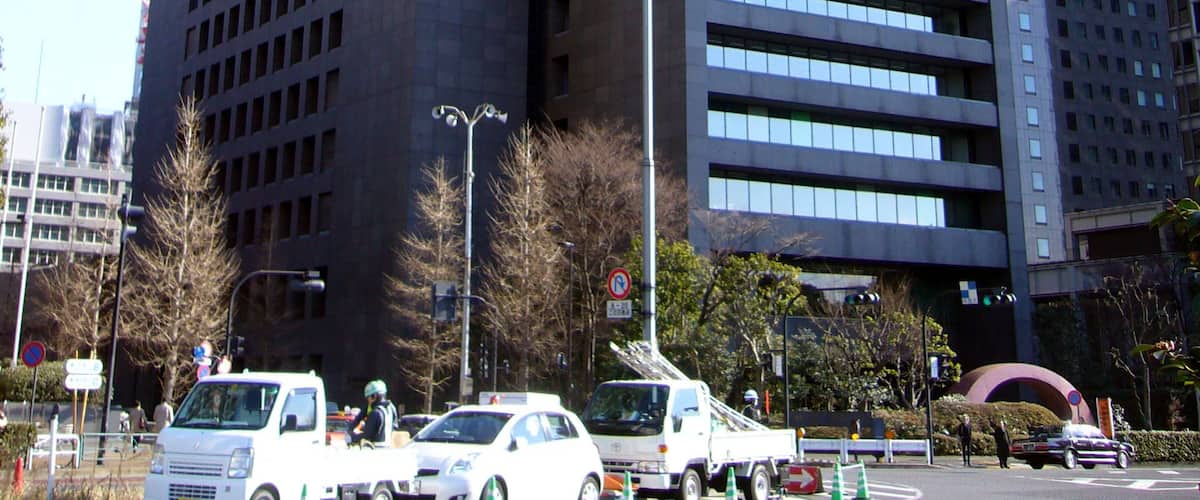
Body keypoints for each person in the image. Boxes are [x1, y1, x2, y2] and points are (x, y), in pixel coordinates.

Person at [348, 380, 398, 448]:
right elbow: (395, 426)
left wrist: (352, 436)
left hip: (375, 450)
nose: (368, 401)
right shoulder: (391, 408)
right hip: (388, 447)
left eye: (368, 398)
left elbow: (367, 435)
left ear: (374, 396)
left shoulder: (375, 413)